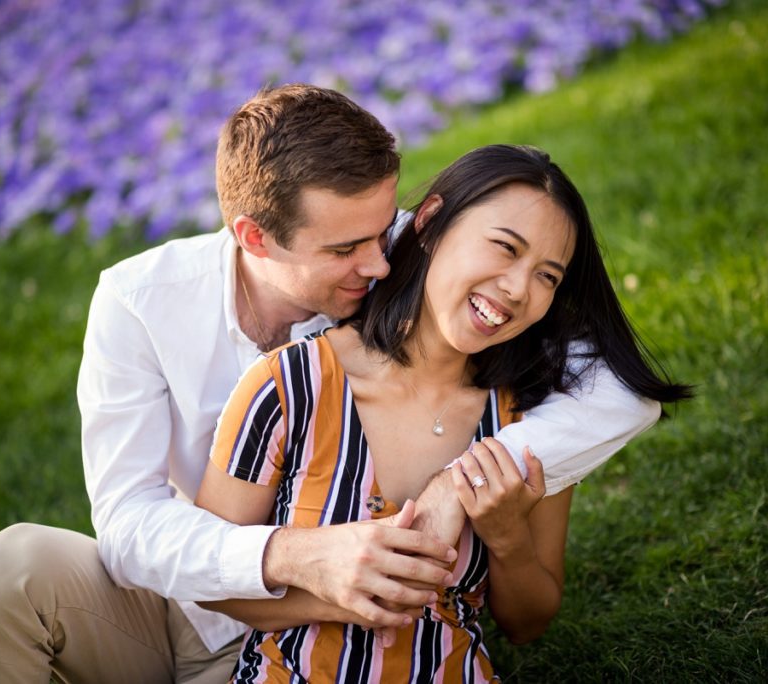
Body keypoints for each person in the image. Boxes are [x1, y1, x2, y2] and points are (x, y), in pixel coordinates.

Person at [0, 86, 663, 683]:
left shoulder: (420, 260)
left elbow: (623, 389)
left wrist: (459, 491)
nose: (379, 265)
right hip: (179, 609)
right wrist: (299, 557)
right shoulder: (139, 303)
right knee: (10, 569)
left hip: (322, 643)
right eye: (347, 249)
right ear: (256, 238)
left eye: (385, 232)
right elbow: (127, 529)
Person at [193, 144, 691, 681]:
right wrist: (343, 595)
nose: (519, 288)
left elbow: (529, 621)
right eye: (504, 247)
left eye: (548, 276)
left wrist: (504, 535)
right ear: (429, 222)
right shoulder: (287, 386)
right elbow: (212, 582)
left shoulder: (528, 421)